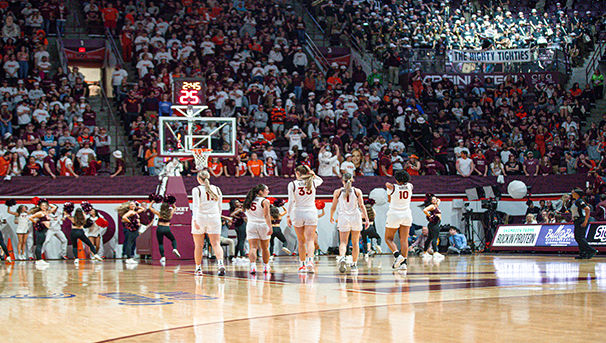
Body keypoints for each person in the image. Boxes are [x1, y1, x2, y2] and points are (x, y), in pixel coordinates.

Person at [329, 173, 370, 274]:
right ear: (352, 180)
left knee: (343, 242)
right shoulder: (357, 191)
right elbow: (362, 206)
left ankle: (342, 258)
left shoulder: (338, 192)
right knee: (355, 242)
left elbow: (333, 206)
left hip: (343, 216)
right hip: (355, 216)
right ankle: (354, 264)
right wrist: (367, 218)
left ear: (342, 181)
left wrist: (331, 216)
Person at [286, 165, 323, 273]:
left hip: (297, 212)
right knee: (310, 240)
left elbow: (291, 201)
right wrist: (313, 174)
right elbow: (320, 180)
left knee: (301, 241)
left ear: (298, 173)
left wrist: (288, 215)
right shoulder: (313, 181)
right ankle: (310, 261)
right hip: (311, 211)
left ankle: (302, 265)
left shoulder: (292, 184)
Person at [191, 170, 226, 276]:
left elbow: (196, 206)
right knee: (216, 244)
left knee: (198, 245)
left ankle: (198, 269)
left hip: (201, 217)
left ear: (198, 178)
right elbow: (220, 207)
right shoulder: (217, 189)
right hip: (214, 217)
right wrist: (218, 217)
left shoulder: (196, 189)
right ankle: (220, 264)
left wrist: (195, 219)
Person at [385, 170, 413, 270]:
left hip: (394, 214)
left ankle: (397, 256)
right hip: (407, 214)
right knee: (404, 239)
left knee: (388, 239)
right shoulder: (410, 186)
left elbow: (389, 199)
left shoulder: (392, 187)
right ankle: (404, 263)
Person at [243, 184, 273, 274]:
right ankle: (266, 267)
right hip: (262, 224)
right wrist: (270, 226)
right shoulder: (265, 201)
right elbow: (266, 215)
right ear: (260, 191)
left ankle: (253, 267)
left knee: (253, 247)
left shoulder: (249, 200)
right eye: (266, 190)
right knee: (265, 247)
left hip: (251, 224)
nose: (268, 191)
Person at [147, 196, 181, 264]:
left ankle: (163, 257)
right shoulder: (170, 214)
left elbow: (150, 208)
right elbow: (175, 208)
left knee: (160, 243)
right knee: (173, 240)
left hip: (160, 228)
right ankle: (174, 248)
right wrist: (171, 202)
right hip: (167, 228)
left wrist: (153, 202)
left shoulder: (159, 214)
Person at [28, 199, 58, 266]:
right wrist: (37, 223)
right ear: (40, 207)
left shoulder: (47, 212)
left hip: (45, 231)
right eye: (42, 205)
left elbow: (54, 207)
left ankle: (39, 259)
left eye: (45, 205)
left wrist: (47, 202)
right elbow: (30, 217)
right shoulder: (40, 213)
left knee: (41, 245)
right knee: (39, 245)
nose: (44, 207)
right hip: (40, 231)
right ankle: (39, 260)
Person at [571, 188, 597, 260]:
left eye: (573, 193)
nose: (572, 194)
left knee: (579, 237)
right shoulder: (576, 201)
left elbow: (587, 209)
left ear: (577, 194)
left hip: (581, 220)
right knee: (578, 237)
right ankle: (583, 254)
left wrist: (586, 220)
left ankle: (591, 250)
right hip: (577, 220)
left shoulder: (580, 201)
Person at [421, 194, 443, 259]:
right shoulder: (432, 206)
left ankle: (425, 252)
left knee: (429, 238)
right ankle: (435, 252)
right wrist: (429, 216)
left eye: (435, 199)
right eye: (433, 199)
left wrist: (433, 197)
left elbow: (439, 200)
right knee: (434, 238)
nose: (435, 200)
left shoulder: (435, 205)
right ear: (431, 201)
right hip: (434, 223)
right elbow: (425, 210)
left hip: (434, 224)